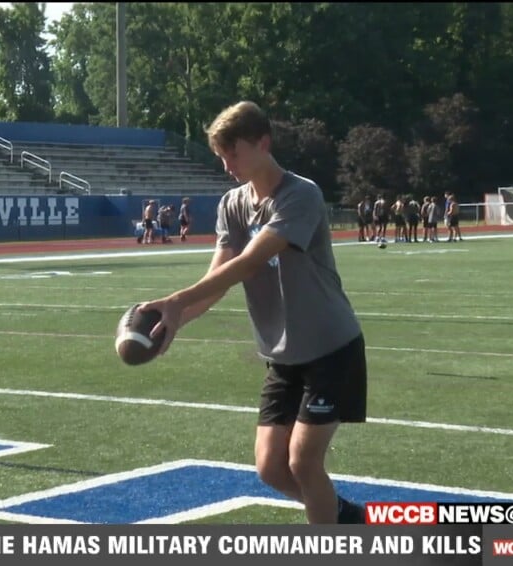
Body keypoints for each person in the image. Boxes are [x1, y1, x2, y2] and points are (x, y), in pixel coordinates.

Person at [139, 101, 368, 525]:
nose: (228, 165)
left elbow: (248, 262)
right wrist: (176, 319)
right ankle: (343, 516)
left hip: (330, 348)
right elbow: (220, 278)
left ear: (263, 142)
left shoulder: (301, 194)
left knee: (303, 462)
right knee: (270, 468)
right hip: (283, 357)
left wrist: (175, 299)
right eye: (222, 157)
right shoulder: (232, 204)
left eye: (234, 154)